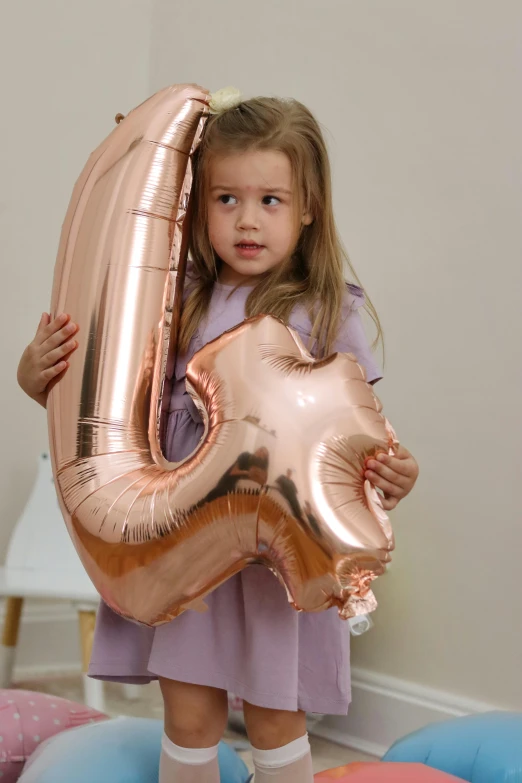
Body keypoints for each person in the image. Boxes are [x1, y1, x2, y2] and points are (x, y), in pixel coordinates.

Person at [17, 91, 419, 783]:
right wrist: (34, 373)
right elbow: (97, 400)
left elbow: (357, 430)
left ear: (309, 207)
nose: (247, 220)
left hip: (270, 555)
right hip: (184, 538)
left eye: (270, 200)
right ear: (196, 205)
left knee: (274, 712)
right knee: (191, 712)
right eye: (226, 199)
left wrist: (394, 473)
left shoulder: (324, 311)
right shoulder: (176, 298)